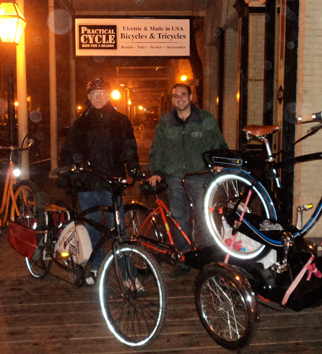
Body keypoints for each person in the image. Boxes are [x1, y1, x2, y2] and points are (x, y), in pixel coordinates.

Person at [60, 77, 141, 285]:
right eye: (94, 94)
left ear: (108, 96)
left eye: (102, 93)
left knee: (119, 232)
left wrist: (133, 166)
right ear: (88, 97)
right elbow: (69, 150)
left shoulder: (120, 120)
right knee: (92, 230)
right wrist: (67, 170)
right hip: (87, 185)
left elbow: (129, 146)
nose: (98, 97)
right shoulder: (81, 122)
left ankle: (128, 276)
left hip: (111, 183)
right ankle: (95, 266)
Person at [148, 83, 228, 276]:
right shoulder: (165, 122)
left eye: (184, 95)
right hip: (175, 179)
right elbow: (157, 149)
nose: (180, 98)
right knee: (179, 219)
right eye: (175, 96)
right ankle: (184, 259)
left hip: (199, 177)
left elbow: (219, 143)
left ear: (191, 97)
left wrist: (218, 161)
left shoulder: (204, 119)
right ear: (172, 99)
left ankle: (211, 259)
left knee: (204, 218)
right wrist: (156, 171)